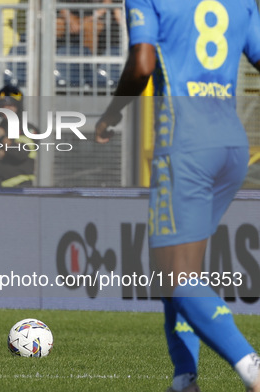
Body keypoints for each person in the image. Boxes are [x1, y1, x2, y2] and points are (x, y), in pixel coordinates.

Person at [95, 1, 260, 391]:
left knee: (176, 275)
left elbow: (142, 65)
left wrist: (112, 114)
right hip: (232, 146)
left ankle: (251, 366)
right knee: (180, 272)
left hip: (186, 145)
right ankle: (184, 379)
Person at [0, 84, 36, 187]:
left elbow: (20, 154)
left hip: (20, 187)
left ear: (18, 107)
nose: (6, 109)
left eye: (10, 105)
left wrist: (2, 138)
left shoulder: (28, 129)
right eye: (3, 106)